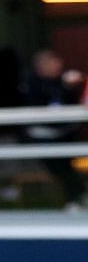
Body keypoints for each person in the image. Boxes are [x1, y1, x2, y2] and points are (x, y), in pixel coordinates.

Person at [20, 47, 87, 210]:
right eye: (53, 63)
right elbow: (44, 111)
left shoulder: (62, 82)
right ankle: (74, 200)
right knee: (62, 170)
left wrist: (70, 87)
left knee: (75, 166)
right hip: (42, 138)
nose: (58, 66)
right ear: (42, 66)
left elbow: (72, 105)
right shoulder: (32, 84)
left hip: (66, 136)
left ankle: (77, 199)